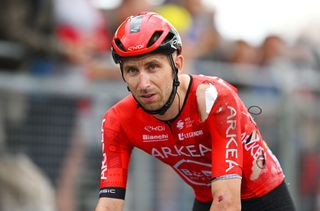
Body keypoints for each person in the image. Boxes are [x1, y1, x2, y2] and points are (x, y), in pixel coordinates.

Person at [95, 12, 296, 211]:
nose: (143, 83)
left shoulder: (214, 99)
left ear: (178, 65)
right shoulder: (117, 120)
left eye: (153, 66)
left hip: (262, 196)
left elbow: (227, 203)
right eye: (132, 70)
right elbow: (108, 205)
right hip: (207, 196)